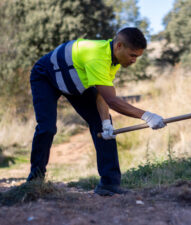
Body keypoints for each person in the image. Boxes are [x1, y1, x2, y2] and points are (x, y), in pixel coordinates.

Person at [27, 27, 166, 196]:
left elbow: (102, 94)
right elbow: (112, 101)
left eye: (137, 56)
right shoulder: (97, 57)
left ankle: (109, 184)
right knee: (47, 127)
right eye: (133, 55)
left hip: (75, 82)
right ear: (119, 46)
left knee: (103, 125)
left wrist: (106, 123)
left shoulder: (114, 60)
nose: (134, 60)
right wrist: (147, 116)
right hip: (45, 76)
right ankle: (35, 181)